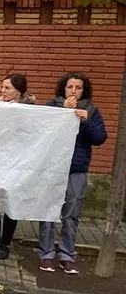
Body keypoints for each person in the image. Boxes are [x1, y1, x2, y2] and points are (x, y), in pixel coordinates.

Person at [38, 73, 107, 274]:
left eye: (78, 87)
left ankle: (67, 255)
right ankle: (47, 253)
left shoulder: (91, 111)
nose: (74, 91)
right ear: (63, 88)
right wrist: (63, 112)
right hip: (53, 168)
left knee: (71, 214)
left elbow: (100, 137)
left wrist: (86, 120)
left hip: (76, 169)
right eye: (70, 87)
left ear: (84, 90)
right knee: (49, 212)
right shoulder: (52, 107)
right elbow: (43, 132)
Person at [0, 73, 35, 260]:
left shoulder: (30, 110)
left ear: (18, 92)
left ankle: (5, 243)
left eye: (7, 88)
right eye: (2, 87)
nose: (2, 91)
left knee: (11, 203)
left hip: (16, 163)